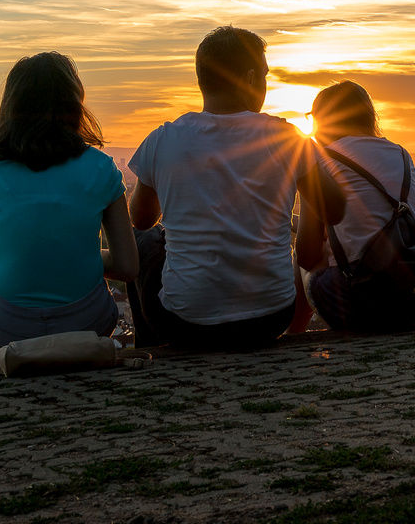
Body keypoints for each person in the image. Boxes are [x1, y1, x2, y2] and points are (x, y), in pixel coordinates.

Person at [128, 26, 341, 350]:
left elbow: (140, 219)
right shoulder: (288, 138)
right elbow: (335, 208)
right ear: (253, 78)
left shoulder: (163, 138)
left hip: (182, 323)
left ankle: (151, 351)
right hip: (269, 319)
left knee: (142, 240)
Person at [0, 52, 139, 364]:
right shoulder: (102, 168)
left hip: (5, 330)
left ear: (12, 106)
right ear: (74, 103)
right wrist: (71, 255)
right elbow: (127, 267)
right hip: (86, 326)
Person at [301, 80, 415, 332]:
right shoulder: (402, 155)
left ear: (322, 121)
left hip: (357, 304)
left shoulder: (320, 162)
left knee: (299, 260)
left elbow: (307, 254)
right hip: (409, 299)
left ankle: (293, 340)